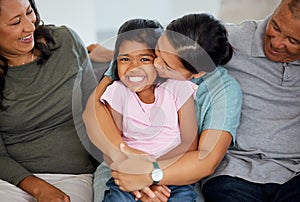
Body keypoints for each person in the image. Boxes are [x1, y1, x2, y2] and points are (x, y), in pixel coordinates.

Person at [83, 13, 242, 202]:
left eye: (166, 64)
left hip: (177, 174)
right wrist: (130, 167)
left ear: (197, 73)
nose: (156, 64)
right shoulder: (134, 68)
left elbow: (204, 159)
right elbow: (94, 112)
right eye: (157, 51)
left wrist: (151, 175)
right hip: (122, 167)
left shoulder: (220, 91)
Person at [201, 0, 300, 201]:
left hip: (295, 174)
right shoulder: (232, 39)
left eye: (293, 40)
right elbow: (165, 45)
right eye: (275, 26)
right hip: (234, 170)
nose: (276, 42)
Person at [0, 0, 99, 201]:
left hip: (74, 176)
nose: (29, 26)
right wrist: (38, 188)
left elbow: (97, 112)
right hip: (10, 180)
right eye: (15, 22)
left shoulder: (66, 42)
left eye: (29, 13)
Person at [99, 18, 199, 202]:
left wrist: (153, 174)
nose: (134, 67)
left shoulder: (178, 87)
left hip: (173, 173)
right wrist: (140, 181)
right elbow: (112, 146)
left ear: (160, 61)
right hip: (130, 172)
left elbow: (190, 144)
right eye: (125, 59)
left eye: (144, 59)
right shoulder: (117, 92)